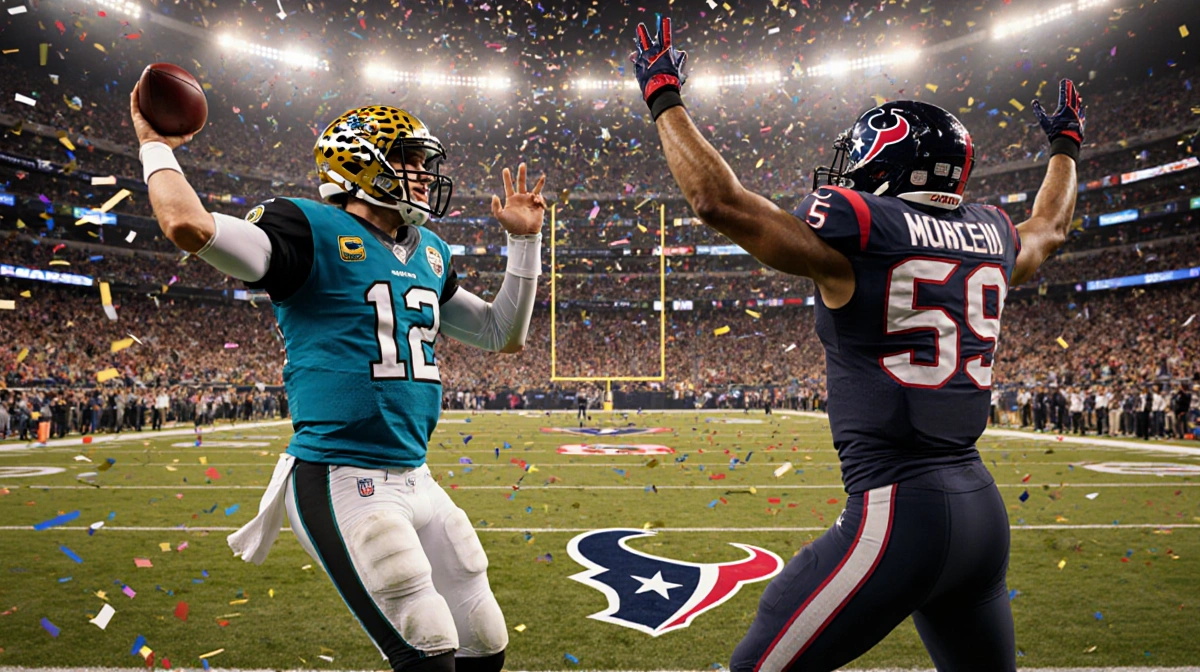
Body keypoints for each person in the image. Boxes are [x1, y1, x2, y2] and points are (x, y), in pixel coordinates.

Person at [632, 18, 1084, 671]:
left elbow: (716, 201)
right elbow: (1052, 225)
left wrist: (663, 97)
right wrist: (1065, 145)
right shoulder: (994, 236)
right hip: (981, 511)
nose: (849, 173)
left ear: (889, 163)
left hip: (899, 512)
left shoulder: (863, 233)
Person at [131, 86, 547, 672]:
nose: (424, 176)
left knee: (485, 643)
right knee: (428, 650)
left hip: (416, 474)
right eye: (408, 161)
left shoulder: (428, 251)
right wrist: (155, 146)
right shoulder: (306, 227)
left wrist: (524, 242)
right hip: (338, 473)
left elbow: (503, 333)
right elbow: (187, 225)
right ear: (359, 162)